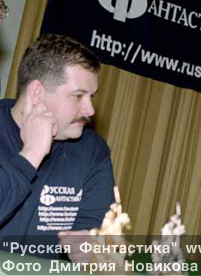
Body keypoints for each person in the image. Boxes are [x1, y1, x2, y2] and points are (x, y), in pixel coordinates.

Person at [0, 33, 115, 261]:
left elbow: (96, 227)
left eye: (91, 97)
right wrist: (32, 154)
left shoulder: (92, 150)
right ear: (37, 93)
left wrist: (92, 247)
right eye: (78, 96)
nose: (90, 110)